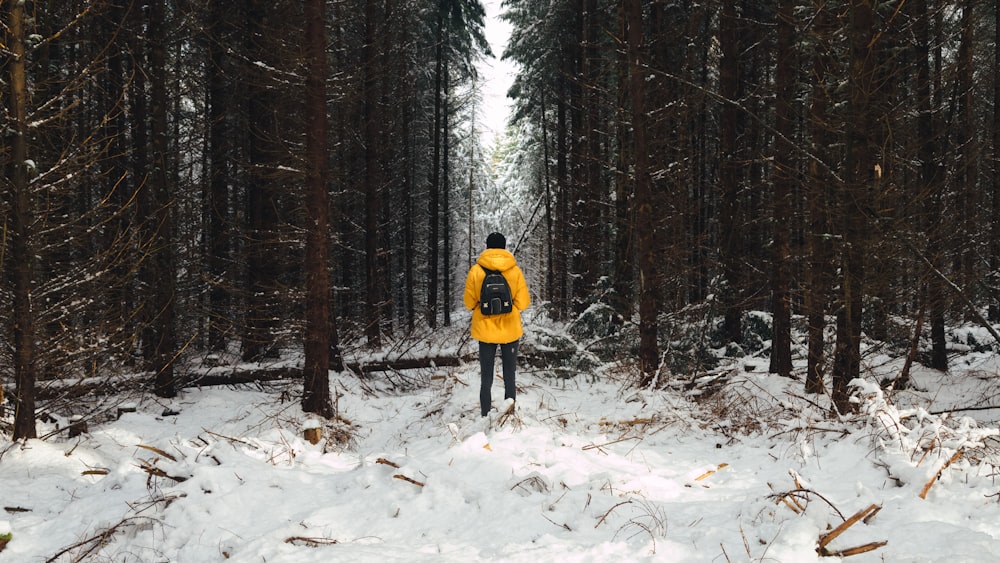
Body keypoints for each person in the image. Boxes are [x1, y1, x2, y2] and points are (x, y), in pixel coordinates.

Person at [463, 232, 531, 418]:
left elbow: (469, 303)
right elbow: (524, 303)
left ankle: (485, 414)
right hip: (510, 330)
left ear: (487, 247)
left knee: (486, 376)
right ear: (504, 247)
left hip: (485, 330)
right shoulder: (514, 270)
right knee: (510, 374)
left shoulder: (476, 270)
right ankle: (509, 413)